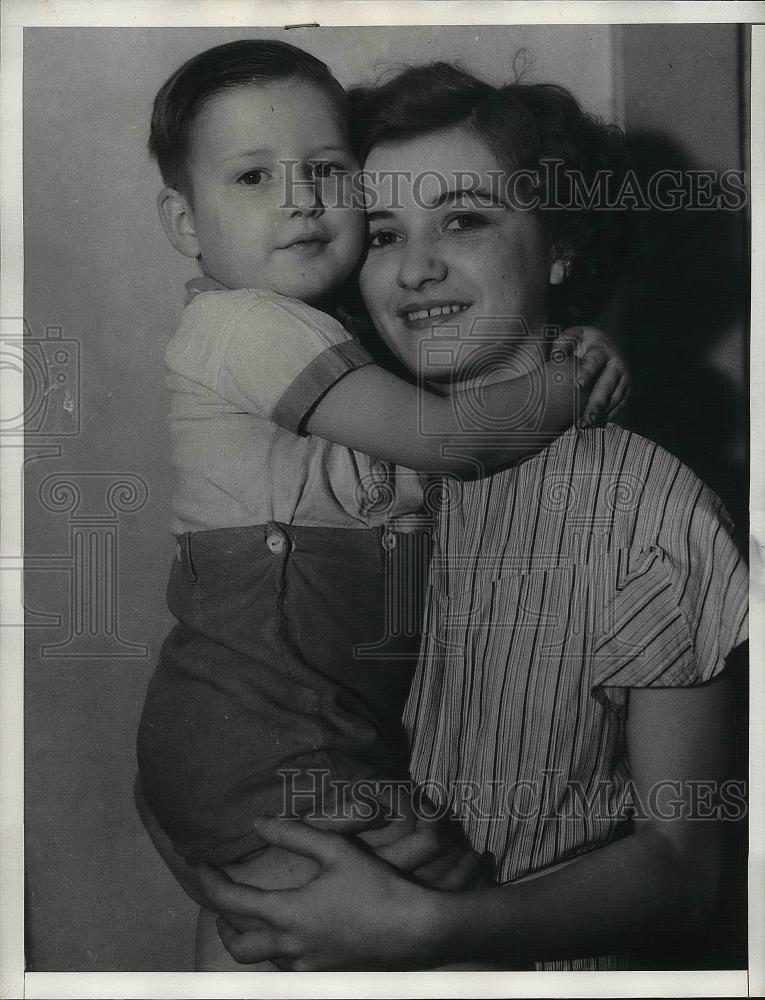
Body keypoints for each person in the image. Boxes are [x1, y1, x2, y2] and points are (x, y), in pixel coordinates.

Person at [191, 63, 749, 971]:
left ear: (559, 246)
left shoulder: (654, 509)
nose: (415, 269)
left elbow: (684, 870)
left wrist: (428, 928)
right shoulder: (323, 454)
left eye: (464, 219)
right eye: (380, 233)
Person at [135, 42, 626, 969]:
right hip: (269, 742)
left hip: (290, 734)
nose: (301, 199)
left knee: (340, 926)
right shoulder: (243, 325)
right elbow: (459, 440)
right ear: (184, 220)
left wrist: (560, 330)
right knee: (415, 909)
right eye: (252, 176)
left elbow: (471, 335)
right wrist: (573, 380)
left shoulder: (337, 335)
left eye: (327, 171)